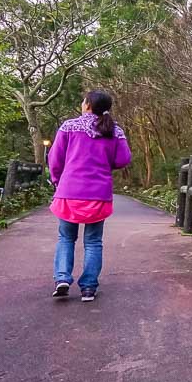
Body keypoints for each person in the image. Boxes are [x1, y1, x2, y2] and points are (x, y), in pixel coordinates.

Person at [47, 90, 132, 302]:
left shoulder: (69, 127)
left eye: (83, 101)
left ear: (87, 105)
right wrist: (104, 163)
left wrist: (57, 181)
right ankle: (88, 288)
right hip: (99, 194)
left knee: (66, 237)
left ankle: (62, 279)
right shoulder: (114, 130)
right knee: (93, 242)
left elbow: (55, 159)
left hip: (69, 192)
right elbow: (123, 159)